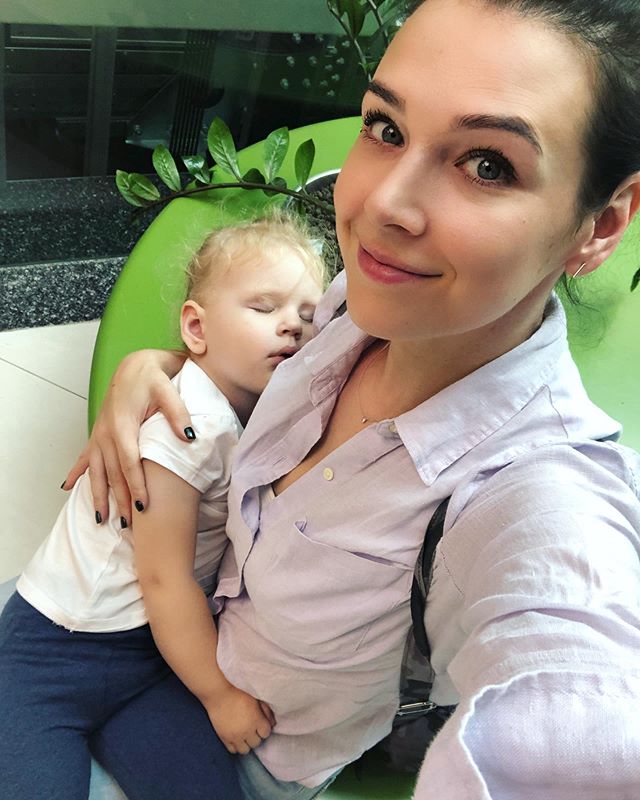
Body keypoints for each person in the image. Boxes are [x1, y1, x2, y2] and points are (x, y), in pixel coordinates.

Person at [23, 0, 640, 798]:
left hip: (235, 753)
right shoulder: (353, 306)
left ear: (601, 225)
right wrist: (155, 368)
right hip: (140, 648)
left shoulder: (534, 492)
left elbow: (577, 693)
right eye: (386, 128)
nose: (384, 206)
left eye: (488, 164)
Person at [0, 214, 325, 800]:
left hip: (152, 656)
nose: (291, 327)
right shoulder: (188, 424)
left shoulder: (257, 409)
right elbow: (163, 576)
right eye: (264, 307)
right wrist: (219, 696)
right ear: (196, 327)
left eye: (309, 316)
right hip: (54, 651)